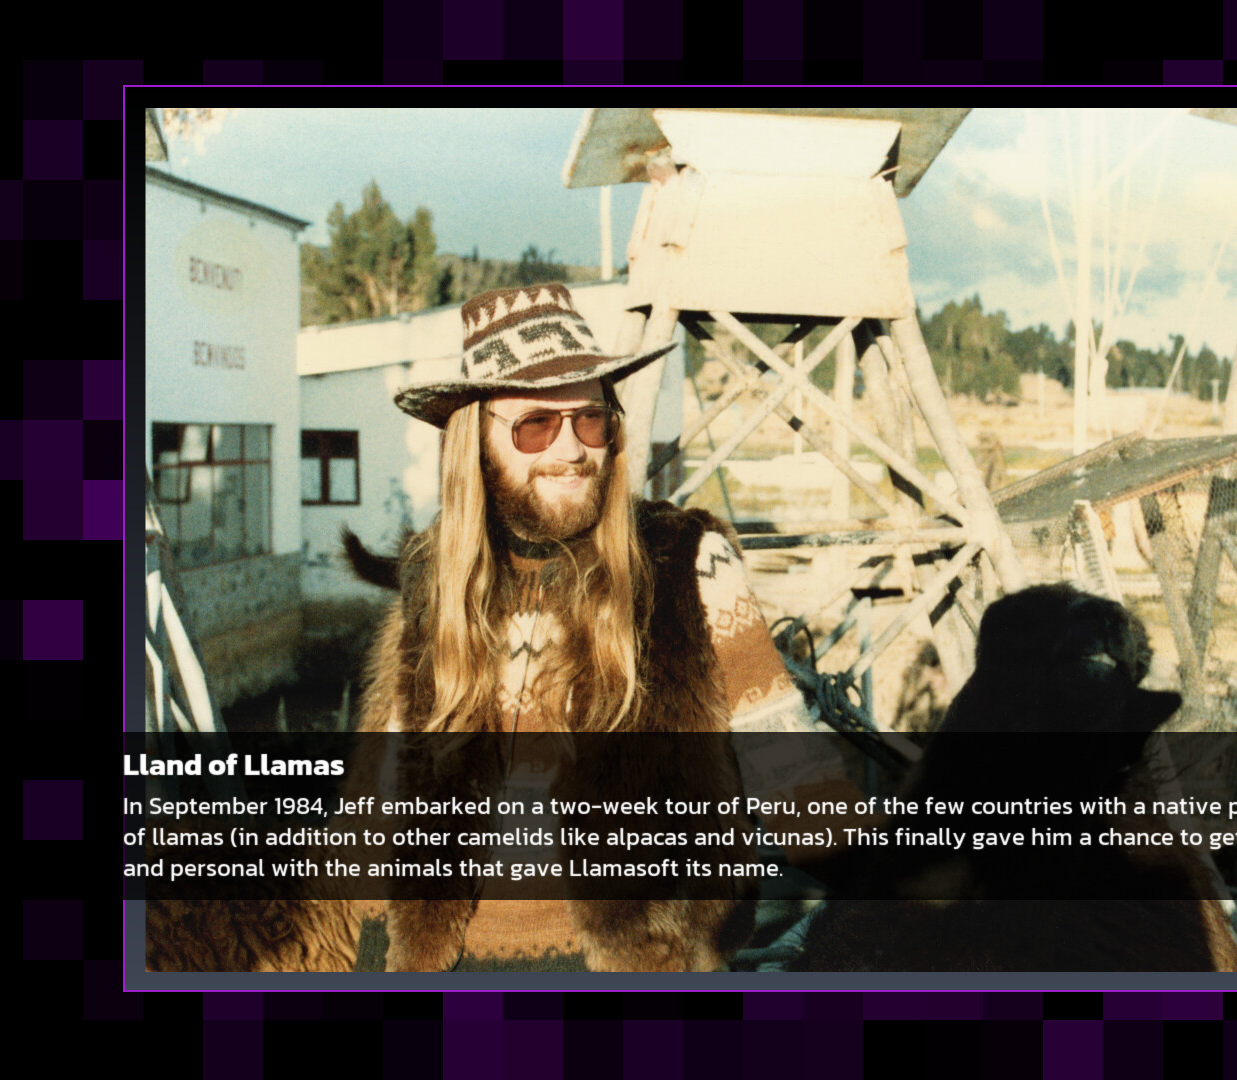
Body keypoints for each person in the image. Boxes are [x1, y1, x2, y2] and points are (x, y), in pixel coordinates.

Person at [351, 283, 858, 972]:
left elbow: (793, 770)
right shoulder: (435, 579)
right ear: (475, 439)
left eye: (592, 421)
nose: (571, 449)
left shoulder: (686, 564)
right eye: (535, 425)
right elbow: (385, 801)